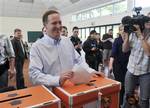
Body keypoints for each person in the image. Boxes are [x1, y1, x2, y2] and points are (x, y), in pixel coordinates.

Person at [29, 10, 104, 90]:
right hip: (51, 92)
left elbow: (78, 60)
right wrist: (57, 80)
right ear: (45, 26)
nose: (58, 26)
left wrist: (90, 71)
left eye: (60, 22)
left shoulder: (67, 41)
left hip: (71, 89)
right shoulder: (37, 47)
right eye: (54, 23)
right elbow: (34, 74)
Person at [122, 17, 150, 108]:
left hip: (146, 71)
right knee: (128, 95)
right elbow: (124, 50)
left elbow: (148, 53)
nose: (148, 24)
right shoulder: (133, 34)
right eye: (147, 22)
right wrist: (126, 37)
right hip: (131, 69)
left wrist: (140, 35)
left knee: (144, 98)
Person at [109, 24, 130, 107]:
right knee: (120, 84)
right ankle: (119, 103)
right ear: (119, 31)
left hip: (128, 66)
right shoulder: (117, 41)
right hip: (118, 66)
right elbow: (113, 54)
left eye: (124, 30)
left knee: (127, 86)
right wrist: (110, 65)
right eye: (121, 30)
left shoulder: (130, 39)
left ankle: (126, 103)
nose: (123, 32)